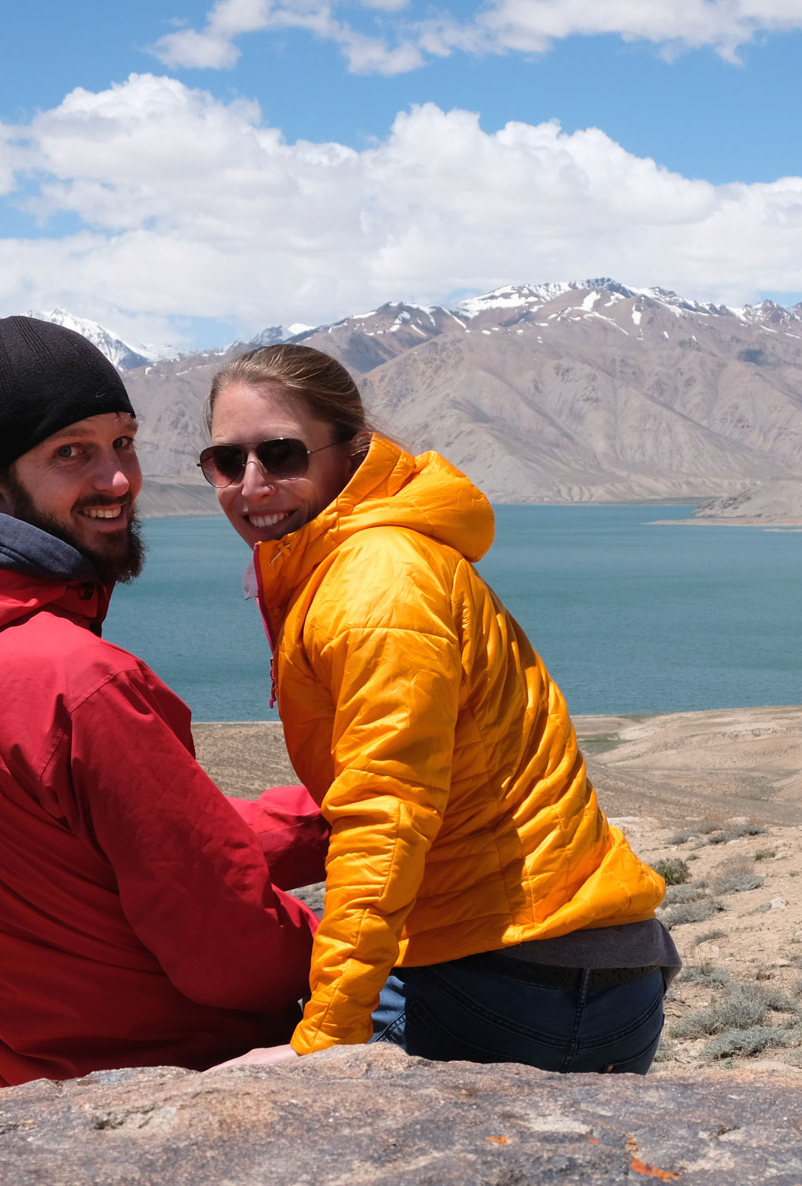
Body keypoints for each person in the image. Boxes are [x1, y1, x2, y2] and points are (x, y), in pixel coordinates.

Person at [0, 316, 326, 1089]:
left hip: (34, 1095)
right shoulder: (77, 682)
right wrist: (357, 939)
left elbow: (123, 847)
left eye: (124, 442)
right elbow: (229, 953)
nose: (118, 480)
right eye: (71, 452)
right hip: (185, 1093)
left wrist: (329, 821)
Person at [201, 343, 677, 1075]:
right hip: (573, 965)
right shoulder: (349, 563)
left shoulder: (377, 584)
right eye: (226, 463)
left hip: (513, 977)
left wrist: (324, 1047)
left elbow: (385, 814)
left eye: (281, 454)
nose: (252, 485)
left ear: (351, 453)